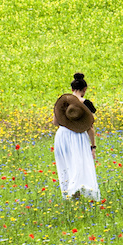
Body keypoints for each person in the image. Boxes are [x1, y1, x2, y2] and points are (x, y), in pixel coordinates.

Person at [52, 72, 100, 200]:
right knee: (79, 165)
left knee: (66, 164)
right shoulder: (86, 103)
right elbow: (90, 127)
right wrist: (93, 147)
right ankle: (78, 192)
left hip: (62, 136)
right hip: (78, 137)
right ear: (85, 89)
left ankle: (70, 194)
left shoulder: (62, 102)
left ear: (72, 89)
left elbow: (55, 122)